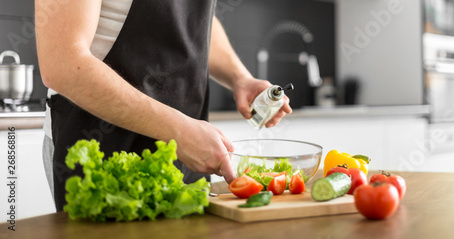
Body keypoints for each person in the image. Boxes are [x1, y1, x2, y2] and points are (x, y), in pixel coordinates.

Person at [35, 0, 292, 212]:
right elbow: (63, 63)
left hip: (185, 157)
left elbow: (194, 23)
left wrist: (240, 78)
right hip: (100, 145)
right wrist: (178, 131)